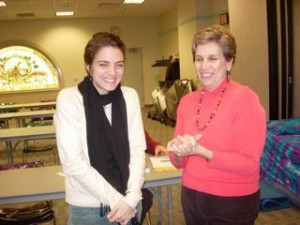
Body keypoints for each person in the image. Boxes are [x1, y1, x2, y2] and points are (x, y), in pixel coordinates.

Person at [167, 25, 267, 225]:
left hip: (232, 202)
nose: (204, 66)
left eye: (212, 58)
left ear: (229, 62)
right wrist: (178, 151)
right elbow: (178, 162)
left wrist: (204, 152)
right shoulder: (187, 102)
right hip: (192, 197)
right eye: (199, 58)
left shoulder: (245, 99)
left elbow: (249, 164)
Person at [54, 32, 146, 225]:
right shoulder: (70, 99)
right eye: (103, 64)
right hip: (89, 208)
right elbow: (72, 162)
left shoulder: (130, 96)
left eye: (119, 64)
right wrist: (117, 200)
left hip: (129, 202)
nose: (112, 72)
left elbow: (137, 149)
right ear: (89, 67)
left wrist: (132, 196)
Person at [140, 130, 167, 224]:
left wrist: (156, 146)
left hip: (133, 177)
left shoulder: (132, 118)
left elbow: (144, 141)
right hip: (111, 177)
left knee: (145, 197)